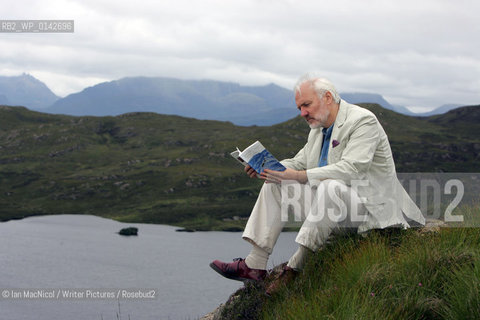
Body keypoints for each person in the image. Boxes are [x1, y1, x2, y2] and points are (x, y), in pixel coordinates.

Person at [210, 73, 425, 294]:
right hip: (330, 211)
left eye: (306, 105)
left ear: (328, 97)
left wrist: (299, 175)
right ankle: (254, 265)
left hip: (366, 212)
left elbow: (353, 169)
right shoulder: (319, 129)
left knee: (330, 186)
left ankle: (295, 268)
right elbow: (299, 161)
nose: (303, 113)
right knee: (275, 182)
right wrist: (265, 166)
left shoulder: (363, 121)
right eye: (299, 108)